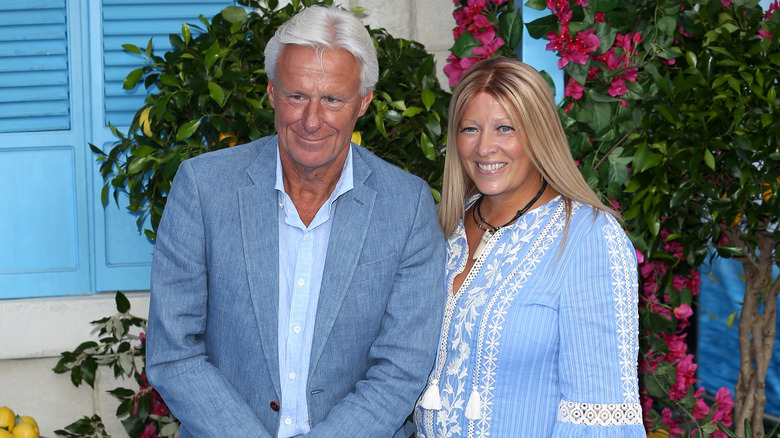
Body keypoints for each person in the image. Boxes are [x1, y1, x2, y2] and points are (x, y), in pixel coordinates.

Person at [145, 6, 446, 438]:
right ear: (271, 92)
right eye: (297, 96)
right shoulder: (203, 187)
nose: (311, 120)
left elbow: (402, 368)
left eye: (333, 100)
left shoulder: (407, 205)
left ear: (363, 102)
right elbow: (174, 354)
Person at [414, 57, 646, 437]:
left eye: (504, 128)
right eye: (470, 128)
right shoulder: (442, 225)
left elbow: (598, 412)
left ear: (538, 134)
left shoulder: (588, 238)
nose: (484, 147)